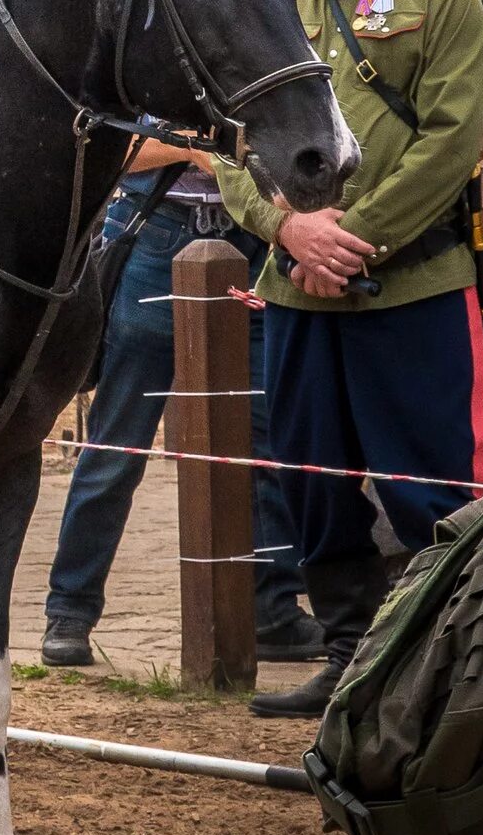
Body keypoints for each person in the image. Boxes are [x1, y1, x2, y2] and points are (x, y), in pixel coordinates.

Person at [215, 0, 483, 718]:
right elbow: (229, 139)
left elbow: (449, 142)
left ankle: (459, 674)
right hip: (296, 294)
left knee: (437, 488)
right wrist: (288, 230)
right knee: (313, 484)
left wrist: (353, 239)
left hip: (411, 290)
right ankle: (348, 662)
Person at [41, 139, 323, 669]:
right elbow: (114, 146)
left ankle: (272, 612)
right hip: (160, 229)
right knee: (117, 445)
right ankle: (70, 611)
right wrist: (194, 152)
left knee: (268, 439)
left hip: (258, 239)